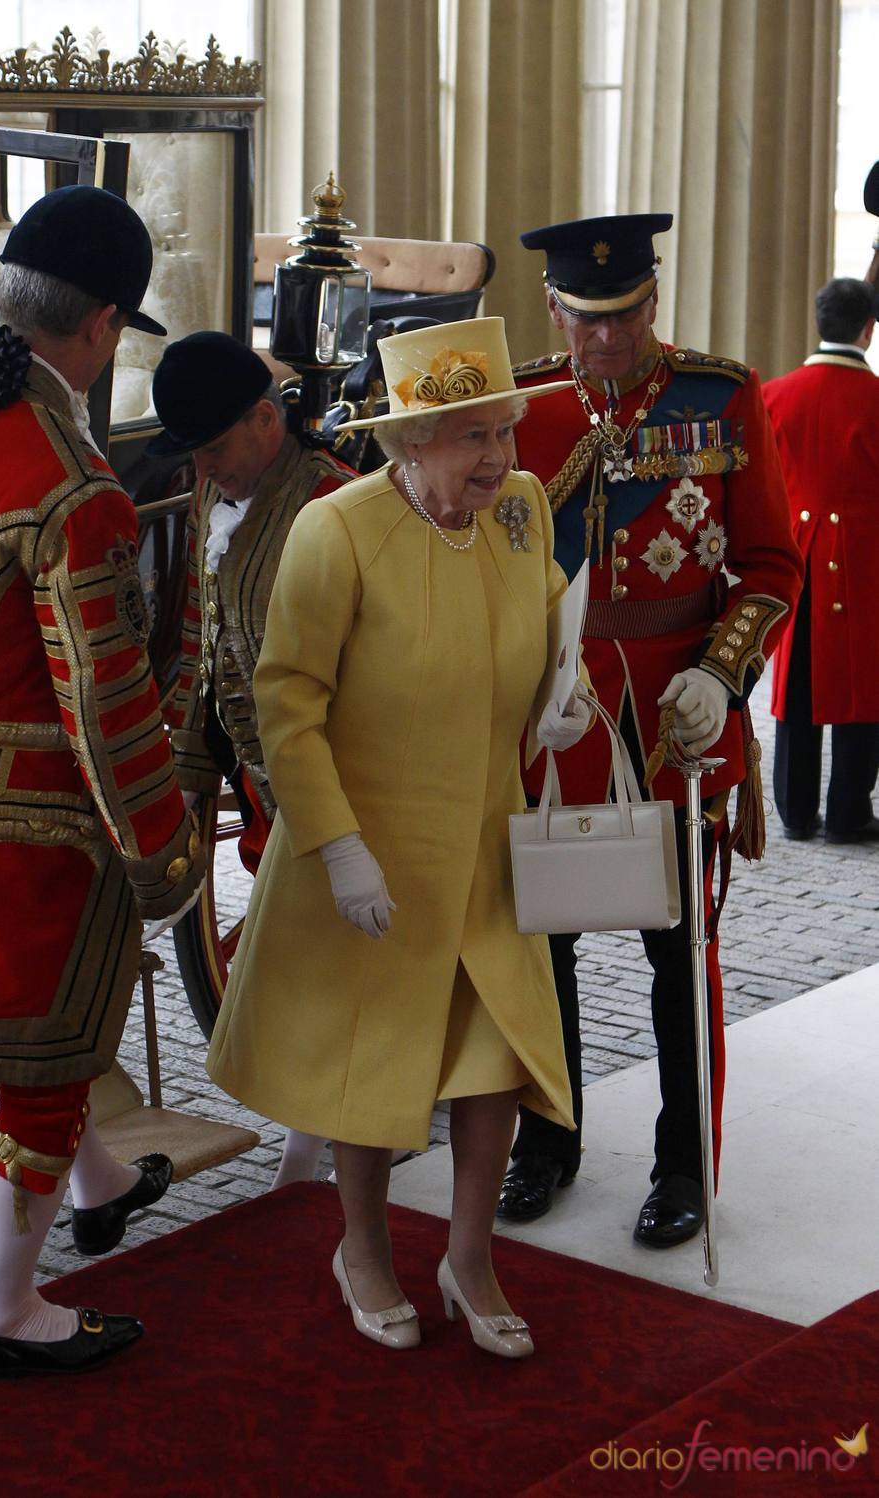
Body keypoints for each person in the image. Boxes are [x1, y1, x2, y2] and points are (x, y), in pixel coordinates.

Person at [207, 317, 586, 1358]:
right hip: (372, 853)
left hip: (485, 839)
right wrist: (335, 846)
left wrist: (569, 691)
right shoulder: (337, 533)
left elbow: (553, 615)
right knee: (369, 1065)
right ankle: (361, 1247)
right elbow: (286, 701)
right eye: (470, 437)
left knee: (492, 1057)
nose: (498, 459)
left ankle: (468, 1258)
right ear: (407, 441)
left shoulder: (517, 512)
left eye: (502, 430)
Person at [0, 185, 205, 1378]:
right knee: (48, 1056)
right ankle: (7, 1309)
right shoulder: (73, 491)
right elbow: (108, 707)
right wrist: (164, 848)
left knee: (57, 1045)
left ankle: (102, 1181)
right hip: (19, 829)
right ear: (102, 325)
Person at [501, 214, 804, 1247]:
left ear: (654, 299)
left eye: (626, 314)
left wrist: (722, 678)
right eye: (587, 320)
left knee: (680, 953)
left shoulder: (716, 397)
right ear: (553, 311)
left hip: (680, 717)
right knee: (544, 943)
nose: (608, 339)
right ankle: (545, 1138)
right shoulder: (527, 407)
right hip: (559, 718)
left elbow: (770, 566)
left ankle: (684, 1165)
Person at [150, 333, 358, 1190]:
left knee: (327, 962)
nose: (202, 470)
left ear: (266, 421)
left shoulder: (340, 505)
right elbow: (203, 639)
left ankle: (317, 1144)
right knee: (309, 965)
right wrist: (188, 772)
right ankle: (315, 1137)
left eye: (213, 449)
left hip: (337, 781)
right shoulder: (214, 492)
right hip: (260, 779)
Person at [763, 278, 879, 843]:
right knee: (864, 683)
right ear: (869, 330)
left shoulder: (774, 394)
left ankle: (794, 809)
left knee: (798, 682)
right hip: (864, 560)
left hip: (797, 555)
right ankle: (849, 811)